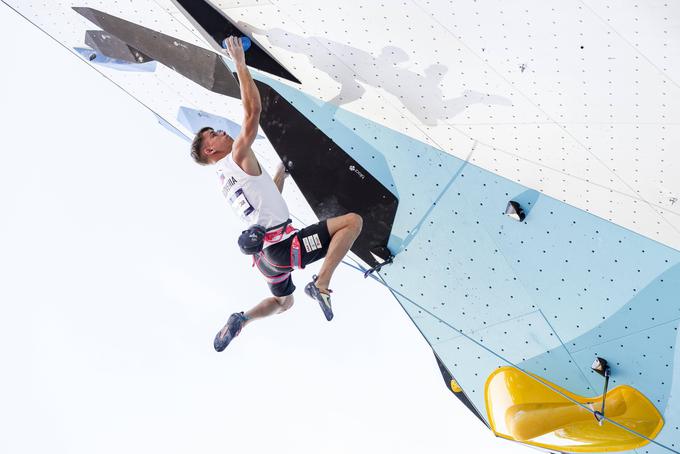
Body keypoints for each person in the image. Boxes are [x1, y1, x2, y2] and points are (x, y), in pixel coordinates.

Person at [189, 36, 363, 351]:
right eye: (213, 133)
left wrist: (280, 175)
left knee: (283, 303)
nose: (222, 131)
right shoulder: (236, 155)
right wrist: (240, 63)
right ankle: (321, 284)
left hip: (267, 259)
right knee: (352, 222)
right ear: (210, 149)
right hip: (283, 247)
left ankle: (243, 318)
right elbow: (252, 111)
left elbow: (265, 202)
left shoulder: (224, 179)